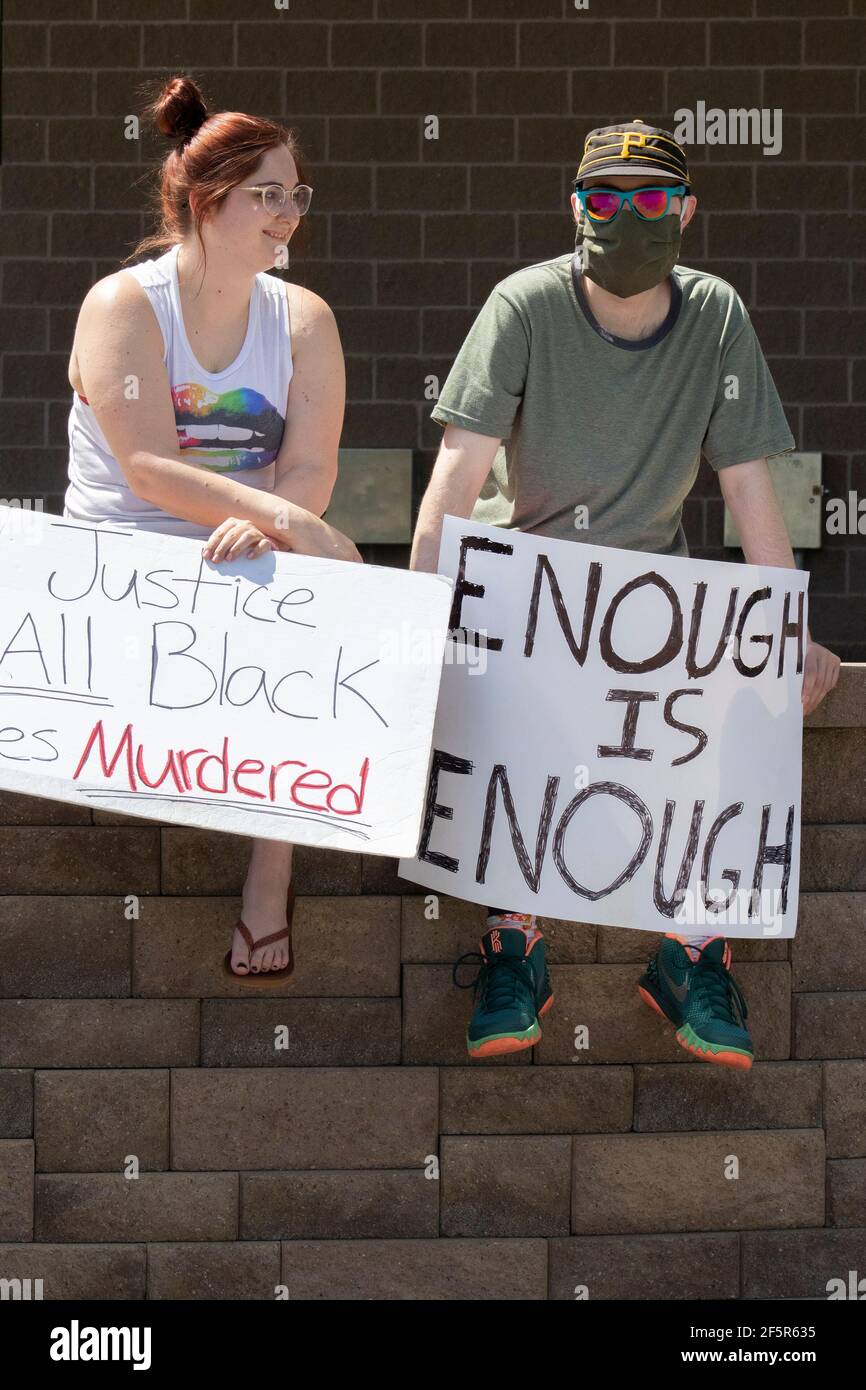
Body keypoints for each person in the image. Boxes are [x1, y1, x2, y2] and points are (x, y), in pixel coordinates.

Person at [411, 119, 841, 1069]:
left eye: (651, 199)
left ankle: (693, 952)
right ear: (577, 207)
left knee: (737, 698)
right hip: (525, 590)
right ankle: (513, 946)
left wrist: (786, 630)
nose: (628, 215)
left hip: (646, 605)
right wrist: (419, 622)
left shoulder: (716, 314)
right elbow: (456, 478)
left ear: (685, 212)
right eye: (606, 198)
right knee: (503, 707)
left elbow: (748, 487)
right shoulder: (524, 305)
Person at [62, 74, 361, 982]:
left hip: (244, 558)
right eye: (268, 195)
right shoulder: (125, 305)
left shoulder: (303, 319)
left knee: (322, 605)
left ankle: (271, 878)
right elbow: (147, 467)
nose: (289, 214)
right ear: (207, 200)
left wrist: (275, 528)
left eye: (297, 194)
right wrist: (277, 517)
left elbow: (310, 469)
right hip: (123, 564)